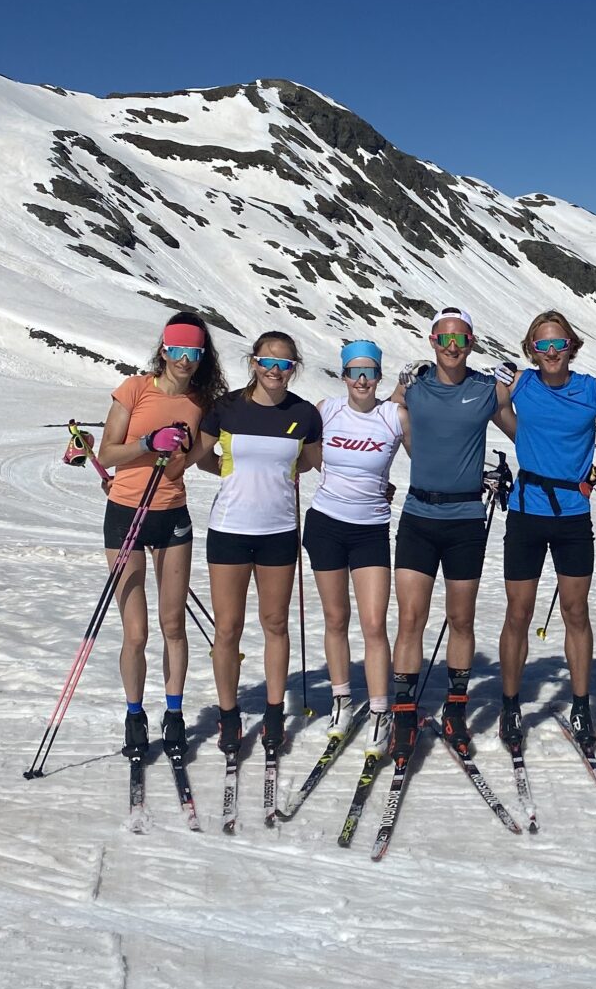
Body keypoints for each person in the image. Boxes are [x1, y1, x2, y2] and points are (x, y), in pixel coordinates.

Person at [93, 312, 226, 766]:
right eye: (179, 350)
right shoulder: (134, 389)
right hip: (126, 512)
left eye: (196, 352)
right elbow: (108, 452)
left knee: (173, 625)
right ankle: (134, 716)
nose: (186, 360)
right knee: (136, 631)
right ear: (164, 350)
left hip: (171, 515)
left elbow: (204, 460)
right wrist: (150, 440)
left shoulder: (201, 402)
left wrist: (249, 465)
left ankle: (173, 713)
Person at [390, 307, 515, 764]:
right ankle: (405, 717)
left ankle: (455, 711)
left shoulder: (487, 389)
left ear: (472, 343)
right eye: (444, 339)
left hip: (464, 519)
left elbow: (525, 431)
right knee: (411, 619)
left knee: (461, 619)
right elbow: (389, 419)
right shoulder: (414, 387)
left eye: (460, 339)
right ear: (431, 341)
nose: (452, 346)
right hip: (418, 515)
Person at [193, 332, 324, 761]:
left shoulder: (303, 414)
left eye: (284, 364)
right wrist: (231, 474)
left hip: (280, 530)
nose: (274, 370)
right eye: (267, 361)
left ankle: (273, 712)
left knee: (275, 624)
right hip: (230, 528)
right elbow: (202, 456)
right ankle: (229, 714)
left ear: (294, 369)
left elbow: (308, 460)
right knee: (227, 627)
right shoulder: (226, 408)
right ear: (253, 362)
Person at [493, 312, 596, 754]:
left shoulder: (592, 390)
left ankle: (581, 704)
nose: (552, 352)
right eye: (542, 345)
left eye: (559, 343)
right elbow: (500, 409)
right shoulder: (521, 383)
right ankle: (510, 705)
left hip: (574, 515)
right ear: (532, 350)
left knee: (575, 612)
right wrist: (522, 438)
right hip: (526, 510)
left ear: (572, 346)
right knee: (518, 613)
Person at [307, 338, 406, 750]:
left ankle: (381, 712)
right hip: (325, 523)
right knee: (335, 619)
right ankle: (342, 700)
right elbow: (302, 453)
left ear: (379, 376)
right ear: (344, 375)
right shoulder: (326, 410)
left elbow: (430, 453)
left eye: (369, 372)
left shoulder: (394, 416)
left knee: (373, 624)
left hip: (370, 529)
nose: (361, 380)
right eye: (354, 372)